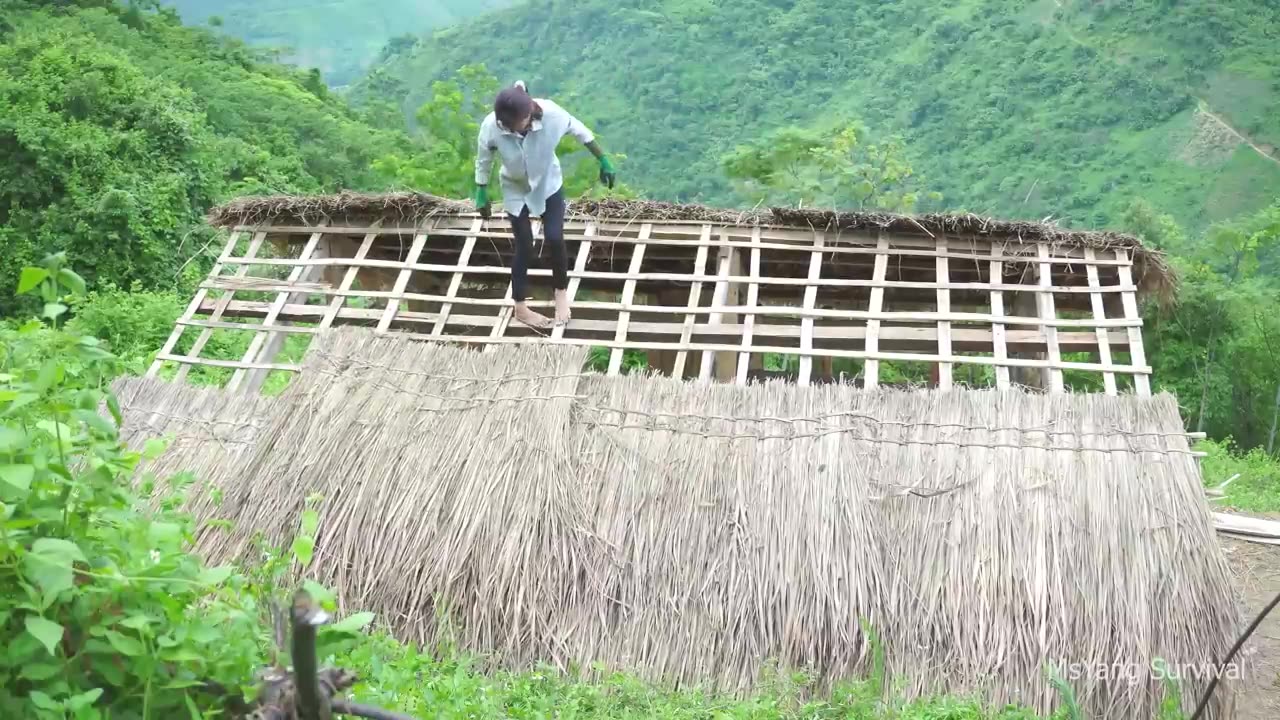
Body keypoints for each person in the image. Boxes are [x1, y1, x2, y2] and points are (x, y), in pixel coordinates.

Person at [473, 81, 616, 329]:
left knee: (555, 238)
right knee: (524, 245)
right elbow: (484, 159)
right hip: (515, 187)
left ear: (527, 114)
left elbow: (580, 131)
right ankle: (520, 307)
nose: (516, 127)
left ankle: (560, 295)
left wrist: (603, 159)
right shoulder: (491, 126)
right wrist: (481, 190)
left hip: (549, 183)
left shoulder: (551, 114)